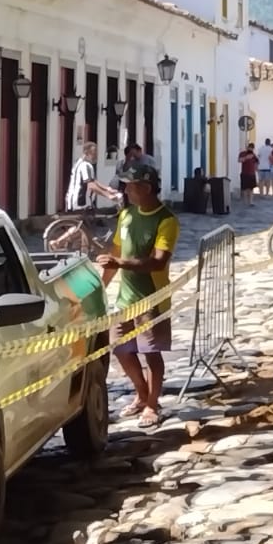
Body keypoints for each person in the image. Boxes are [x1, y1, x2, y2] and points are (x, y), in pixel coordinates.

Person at [98, 163, 181, 429]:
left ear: (145, 188)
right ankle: (141, 393)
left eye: (130, 186)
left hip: (152, 299)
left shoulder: (166, 220)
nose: (126, 190)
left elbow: (158, 262)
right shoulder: (126, 215)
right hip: (125, 299)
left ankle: (153, 405)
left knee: (151, 353)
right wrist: (102, 284)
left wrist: (120, 263)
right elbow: (116, 251)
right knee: (120, 348)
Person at [67, 141, 119, 211]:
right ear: (87, 153)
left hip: (74, 202)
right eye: (94, 153)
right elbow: (91, 185)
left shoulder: (79, 162)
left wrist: (107, 189)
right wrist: (108, 195)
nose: (96, 155)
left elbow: (92, 181)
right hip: (80, 204)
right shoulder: (85, 165)